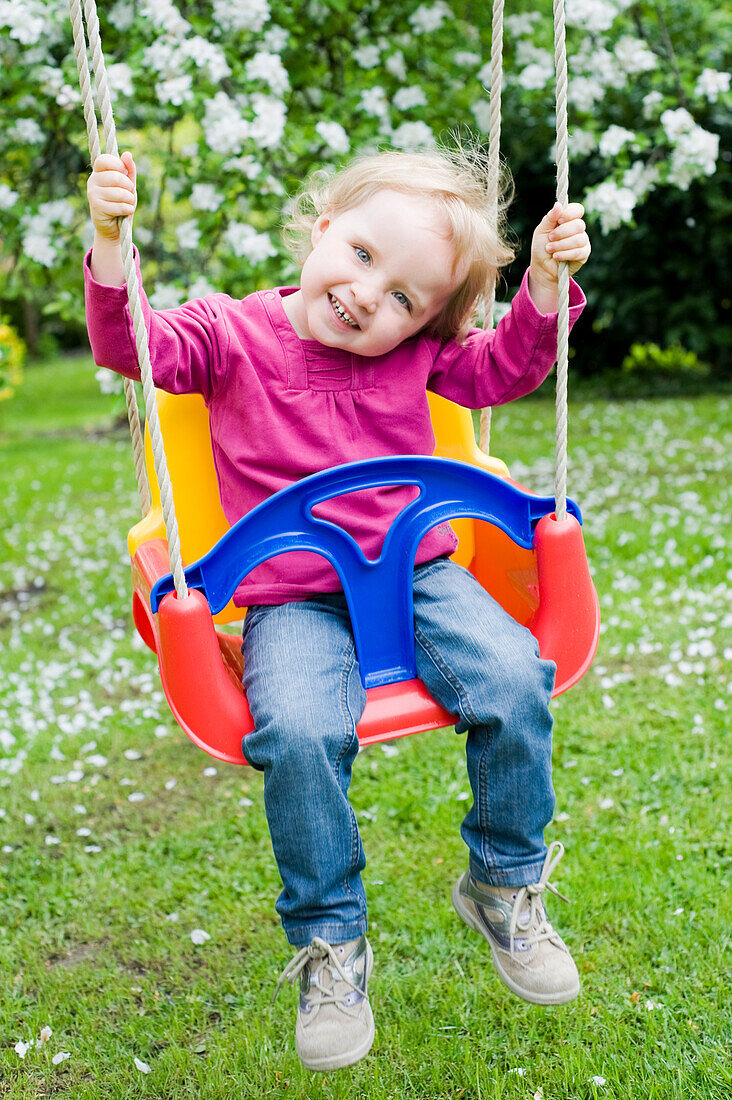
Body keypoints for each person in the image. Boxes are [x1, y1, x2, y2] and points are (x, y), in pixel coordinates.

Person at [85, 142, 591, 1073]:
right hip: (291, 599)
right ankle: (330, 944)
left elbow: (502, 373)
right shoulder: (230, 335)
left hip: (423, 578)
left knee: (518, 678)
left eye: (405, 296)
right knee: (301, 731)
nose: (368, 296)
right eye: (361, 255)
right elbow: (135, 348)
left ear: (427, 319)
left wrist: (547, 291)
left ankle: (505, 883)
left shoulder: (418, 361)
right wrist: (112, 247)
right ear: (323, 228)